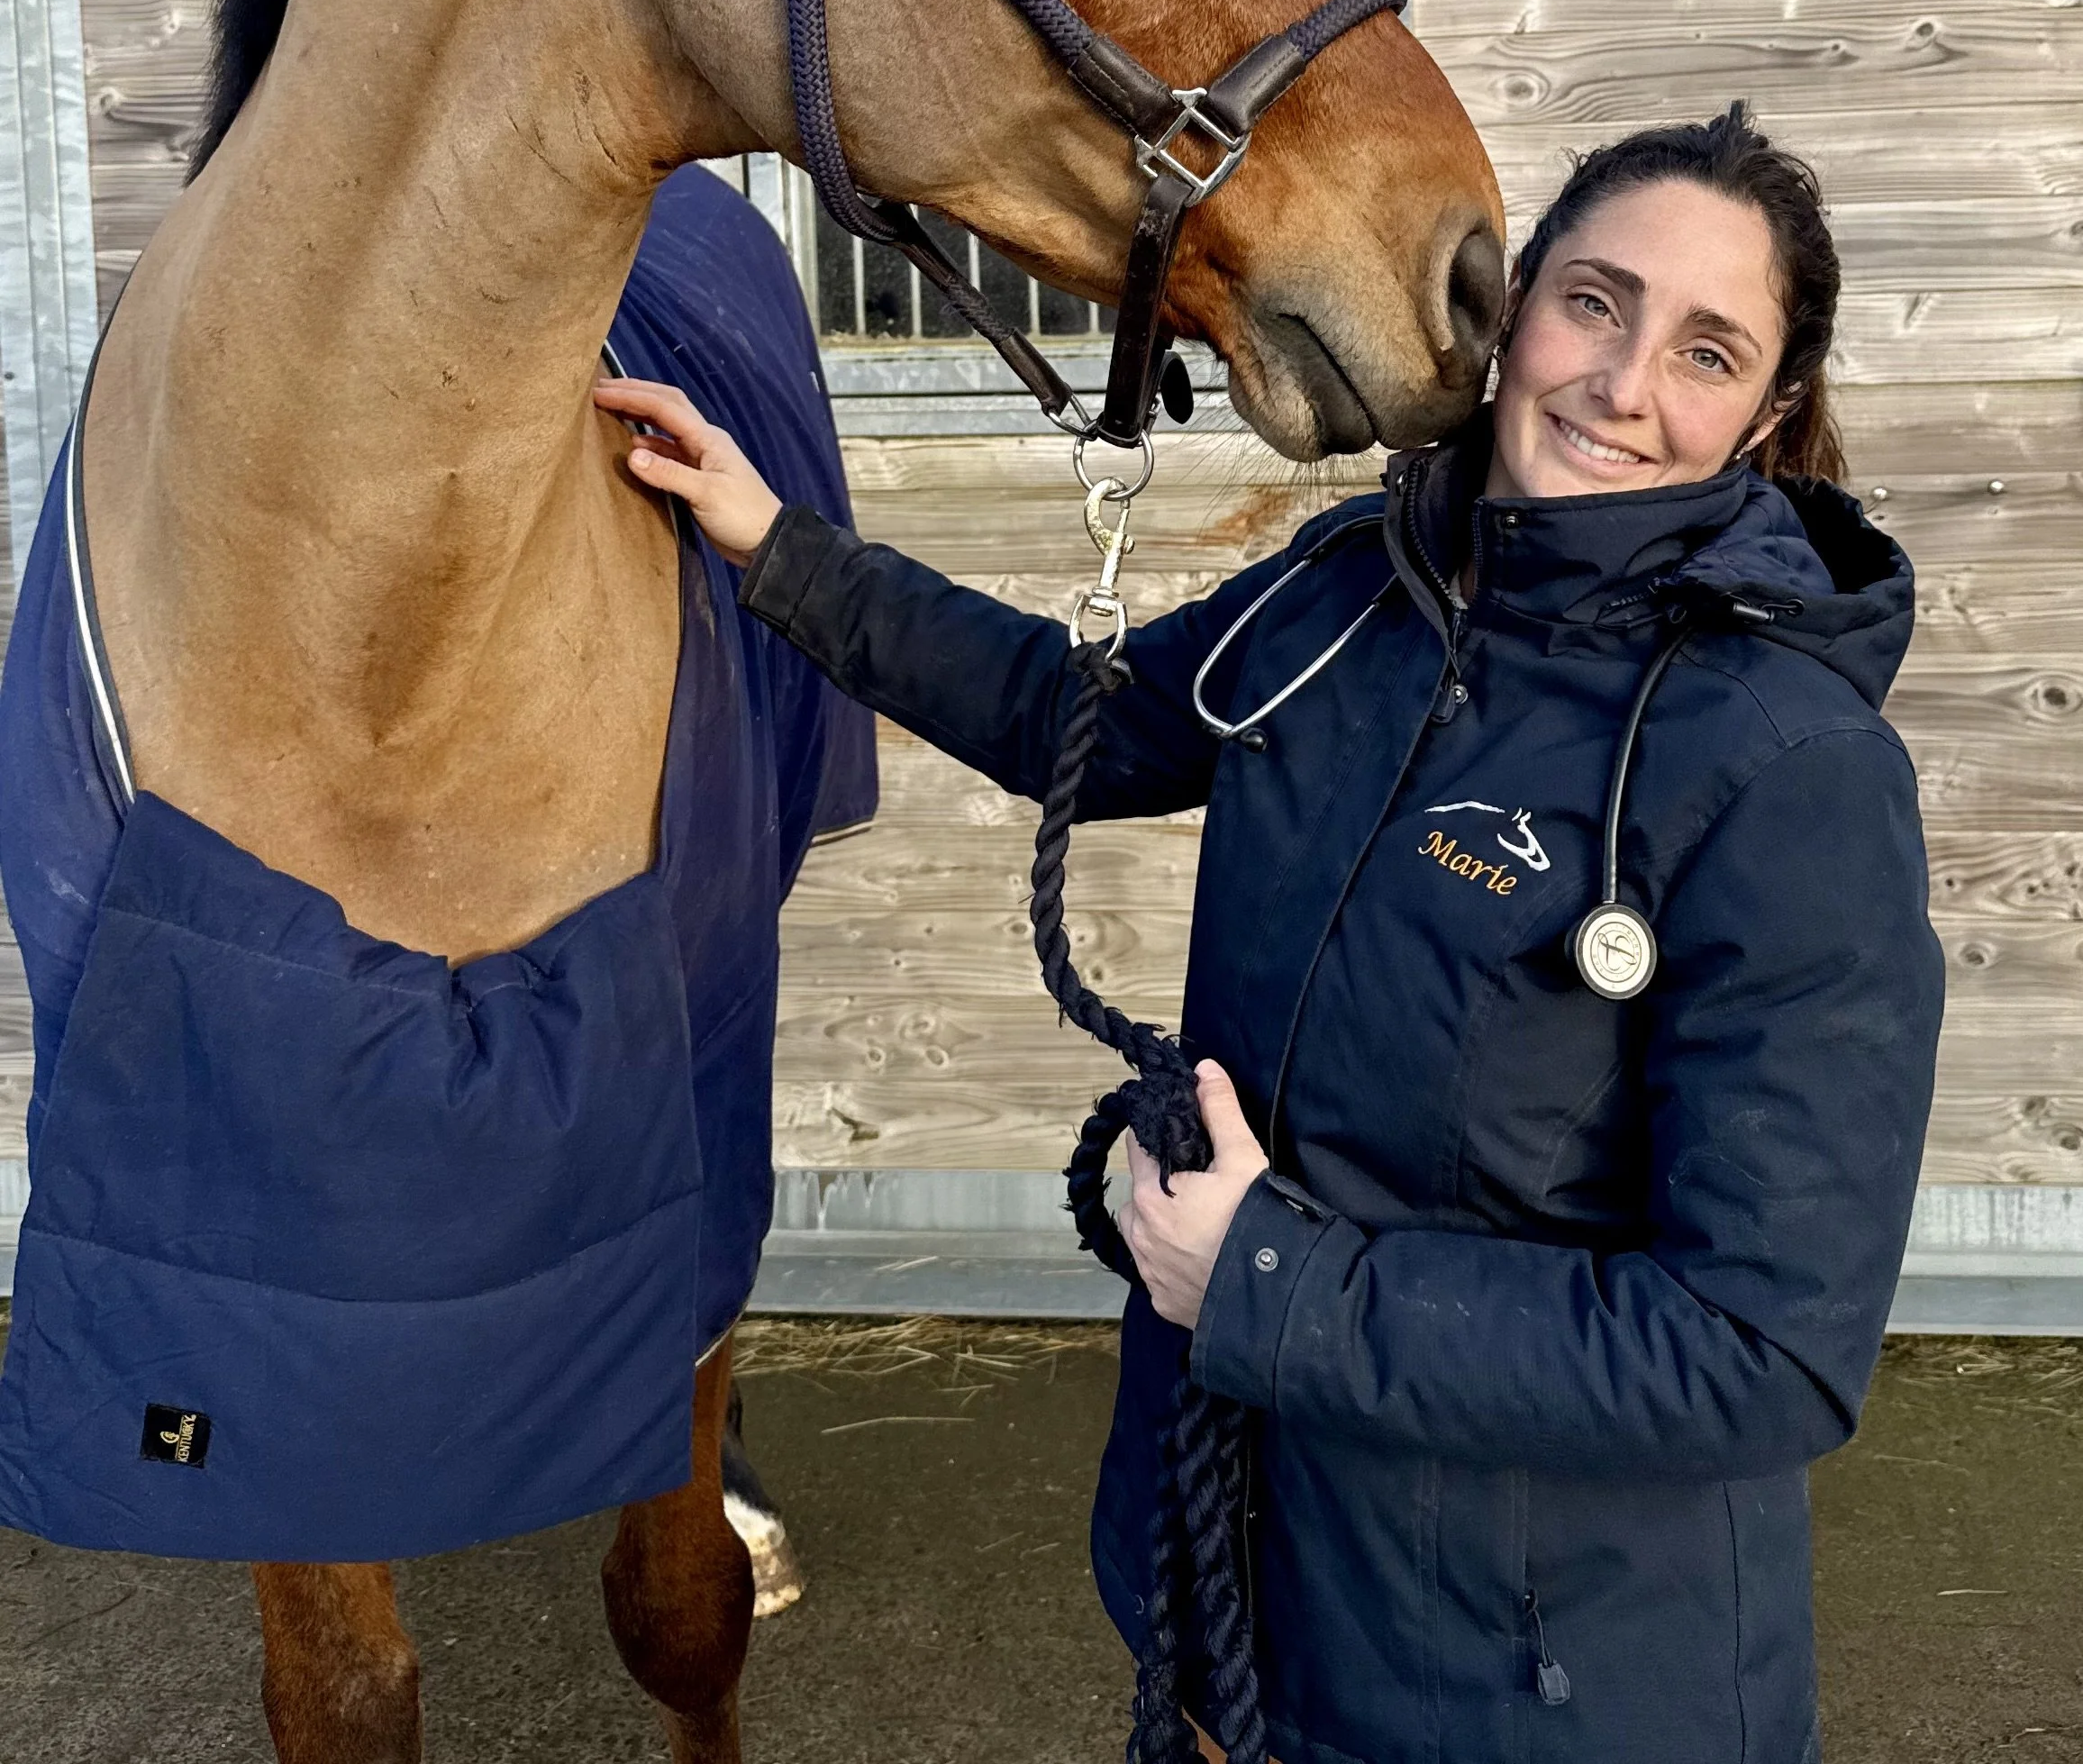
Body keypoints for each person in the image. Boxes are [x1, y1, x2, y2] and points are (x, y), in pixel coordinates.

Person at [596, 103, 1943, 1764]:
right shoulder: (1346, 598)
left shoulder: (1790, 776)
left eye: (1708, 351)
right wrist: (775, 547)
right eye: (1596, 302)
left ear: (1768, 415)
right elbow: (1064, 715)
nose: (1624, 384)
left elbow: (1764, 1354)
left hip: (1532, 1695)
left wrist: (1267, 1281)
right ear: (1515, 307)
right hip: (1230, 1595)